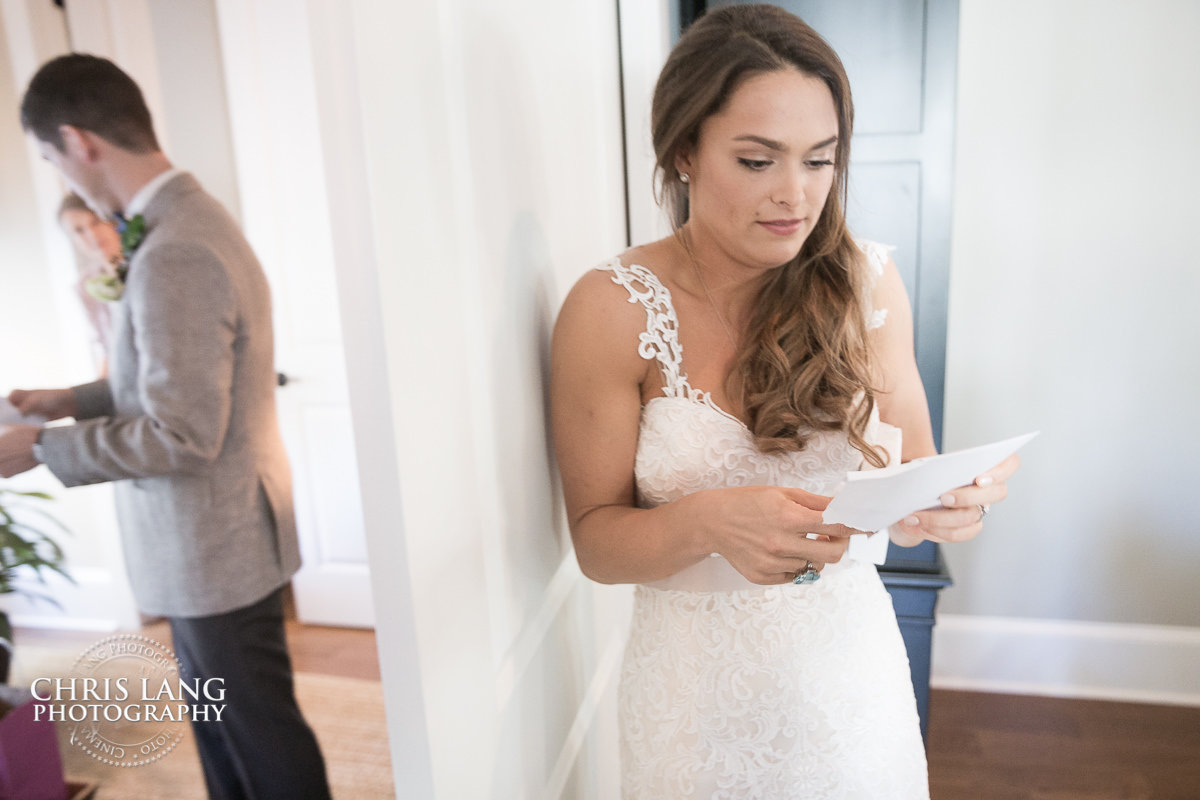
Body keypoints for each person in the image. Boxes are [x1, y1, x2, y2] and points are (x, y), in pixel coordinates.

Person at [550, 6, 1019, 798]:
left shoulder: (867, 285)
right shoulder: (611, 308)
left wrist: (950, 501)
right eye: (758, 159)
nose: (795, 196)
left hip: (849, 690)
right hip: (690, 705)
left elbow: (914, 478)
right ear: (684, 152)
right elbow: (597, 545)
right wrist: (708, 521)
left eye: (820, 160)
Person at [0, 54, 332, 800]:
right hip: (211, 541)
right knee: (225, 726)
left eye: (51, 156)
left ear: (79, 141)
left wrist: (38, 447)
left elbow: (182, 432)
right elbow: (166, 382)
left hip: (212, 544)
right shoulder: (185, 221)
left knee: (255, 731)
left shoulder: (176, 246)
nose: (61, 173)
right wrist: (61, 401)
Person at [57, 193, 123, 375]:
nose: (92, 234)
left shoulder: (146, 263)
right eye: (79, 230)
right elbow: (103, 349)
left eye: (95, 222)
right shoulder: (85, 285)